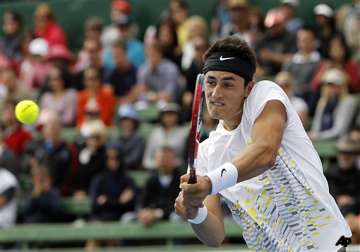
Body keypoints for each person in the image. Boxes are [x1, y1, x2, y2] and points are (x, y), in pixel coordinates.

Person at [174, 36, 351, 251]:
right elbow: (215, 236)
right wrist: (195, 212)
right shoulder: (206, 152)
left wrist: (209, 183)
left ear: (248, 88)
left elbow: (265, 153)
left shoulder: (265, 95)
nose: (215, 93)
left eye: (228, 84)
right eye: (211, 82)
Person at [325, 136, 360, 216]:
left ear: (356, 155)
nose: (344, 157)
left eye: (349, 153)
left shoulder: (358, 175)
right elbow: (327, 193)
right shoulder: (330, 173)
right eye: (341, 153)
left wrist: (352, 201)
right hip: (333, 211)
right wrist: (338, 198)